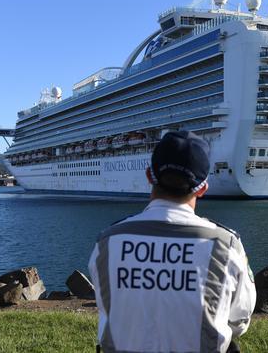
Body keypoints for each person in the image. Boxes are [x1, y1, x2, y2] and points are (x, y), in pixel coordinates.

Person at [88, 130, 256, 353]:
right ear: (203, 188)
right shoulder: (226, 245)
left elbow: (108, 307)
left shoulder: (108, 241)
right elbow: (239, 320)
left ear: (149, 176)